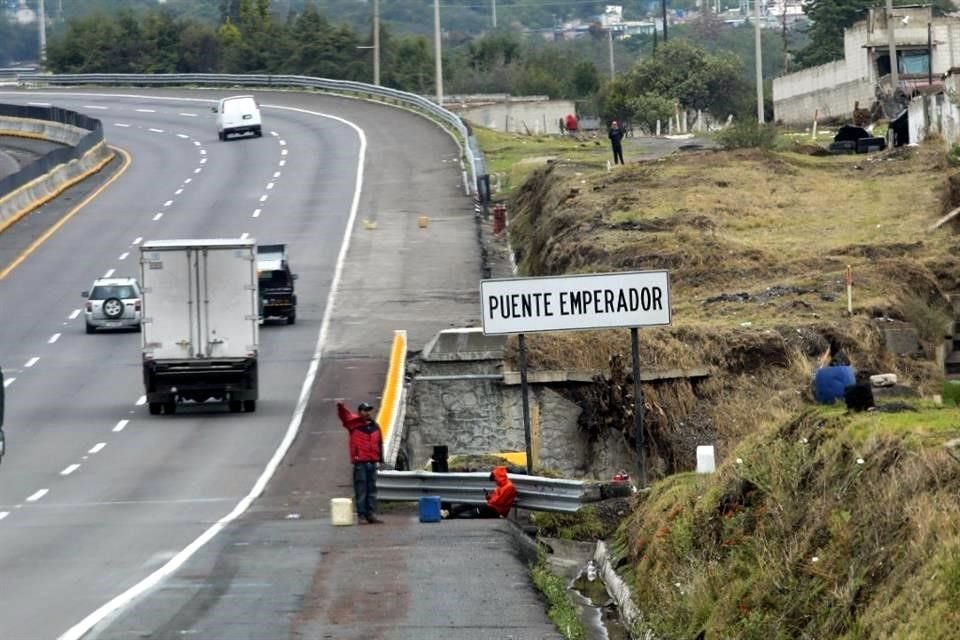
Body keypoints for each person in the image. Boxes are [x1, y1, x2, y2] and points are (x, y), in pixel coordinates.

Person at [336, 400, 384, 524]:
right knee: (361, 490)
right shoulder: (354, 425)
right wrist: (341, 407)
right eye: (365, 410)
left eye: (368, 410)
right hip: (360, 463)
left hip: (372, 462)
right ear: (359, 412)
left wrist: (381, 460)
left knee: (372, 490)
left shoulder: (375, 426)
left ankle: (371, 514)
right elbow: (344, 416)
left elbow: (380, 443)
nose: (367, 413)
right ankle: (361, 515)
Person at [444, 466, 517, 519]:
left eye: (495, 479)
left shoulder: (509, 487)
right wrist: (489, 497)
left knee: (475, 511)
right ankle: (450, 513)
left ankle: (456, 516)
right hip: (492, 507)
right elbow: (495, 499)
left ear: (499, 477)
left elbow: (498, 502)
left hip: (496, 511)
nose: (495, 481)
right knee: (470, 504)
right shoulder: (501, 486)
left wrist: (491, 499)